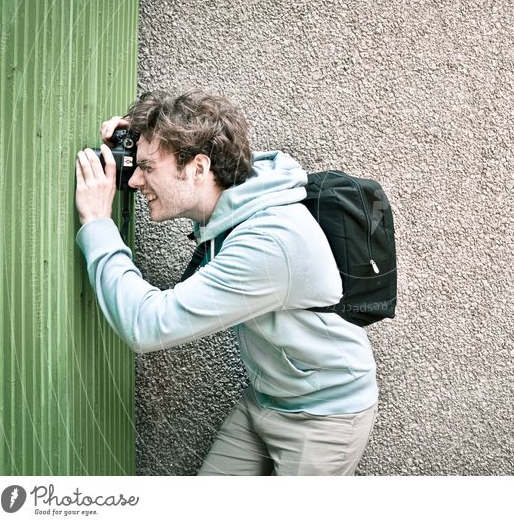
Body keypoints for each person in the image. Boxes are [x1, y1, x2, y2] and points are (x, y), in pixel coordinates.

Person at [74, 90, 378, 476]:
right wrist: (136, 141)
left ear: (199, 168)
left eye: (147, 167)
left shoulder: (269, 243)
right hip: (265, 397)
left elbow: (147, 326)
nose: (134, 180)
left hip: (325, 414)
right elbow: (191, 141)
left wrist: (98, 224)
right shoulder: (238, 196)